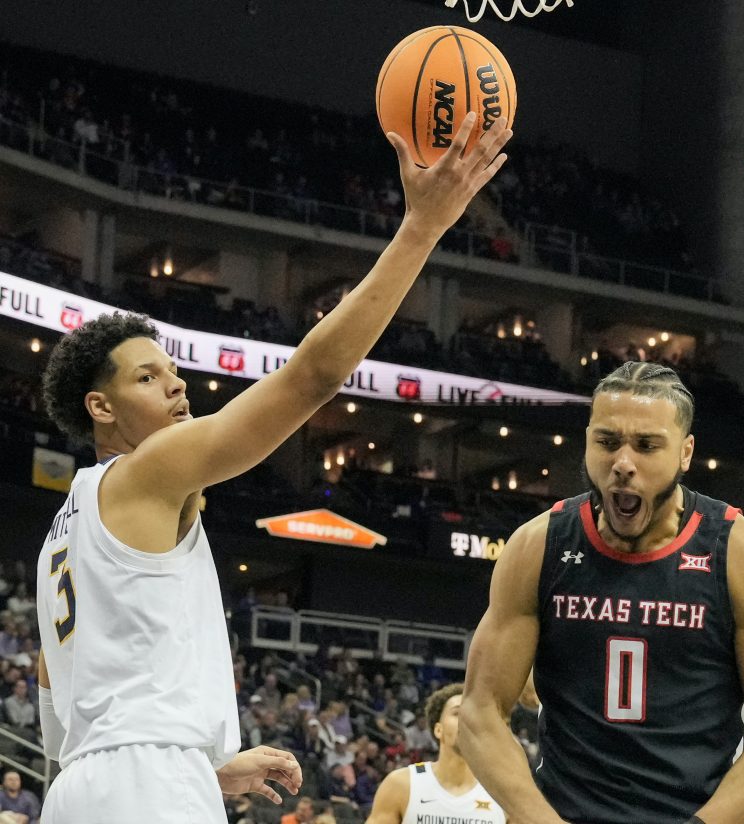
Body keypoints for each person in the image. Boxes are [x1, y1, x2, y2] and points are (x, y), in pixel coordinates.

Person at [33, 111, 512, 823]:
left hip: (84, 788)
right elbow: (313, 377)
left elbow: (71, 705)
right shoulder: (148, 467)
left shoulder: (61, 532)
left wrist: (199, 771)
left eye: (173, 371)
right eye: (147, 378)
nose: (177, 386)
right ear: (100, 408)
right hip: (142, 787)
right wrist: (422, 228)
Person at [459, 363, 744, 824]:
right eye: (606, 442)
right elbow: (480, 711)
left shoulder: (743, 553)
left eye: (646, 446)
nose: (623, 463)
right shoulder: (537, 545)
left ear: (685, 453)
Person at [367, 683, 504, 824]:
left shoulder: (505, 797)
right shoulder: (401, 784)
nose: (467, 719)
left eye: (473, 714)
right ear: (438, 730)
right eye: (457, 713)